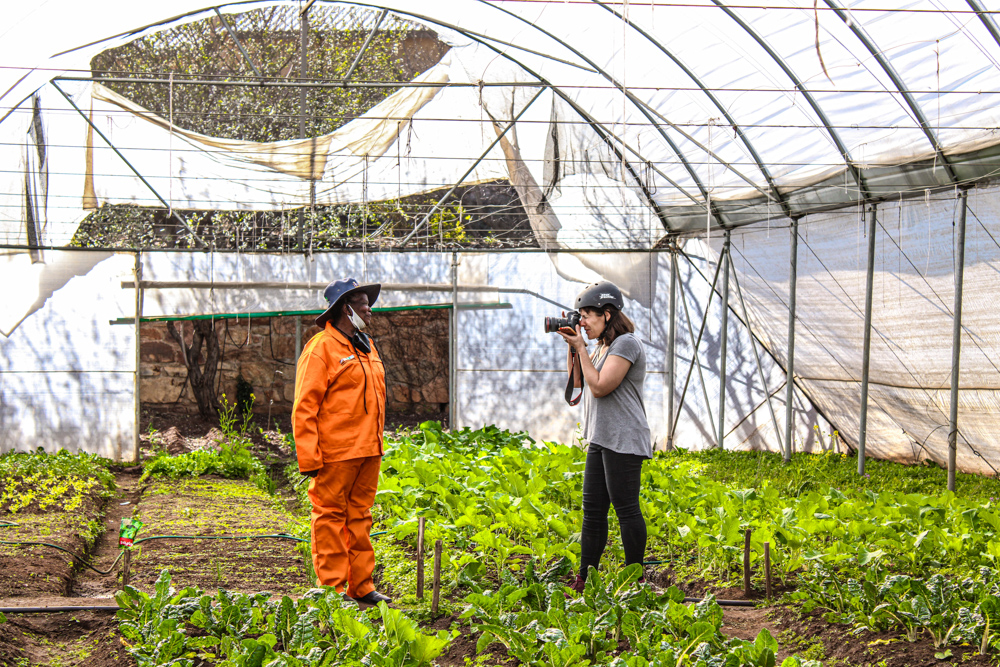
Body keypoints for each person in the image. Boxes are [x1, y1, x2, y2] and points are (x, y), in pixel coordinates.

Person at [292, 278, 391, 606]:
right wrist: (309, 457)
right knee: (330, 517)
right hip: (336, 454)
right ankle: (332, 591)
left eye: (368, 301)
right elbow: (305, 405)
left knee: (360, 518)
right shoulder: (320, 348)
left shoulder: (366, 345)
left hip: (368, 450)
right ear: (344, 309)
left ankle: (361, 586)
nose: (369, 308)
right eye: (362, 302)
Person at [557, 281, 652, 592]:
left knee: (626, 508)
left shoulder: (626, 344)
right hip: (601, 436)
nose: (582, 322)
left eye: (587, 316)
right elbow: (581, 383)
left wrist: (582, 348)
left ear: (608, 315)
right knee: (593, 510)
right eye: (580, 316)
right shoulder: (599, 348)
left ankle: (634, 581)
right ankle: (585, 578)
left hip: (624, 437)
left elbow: (600, 387)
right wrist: (576, 349)